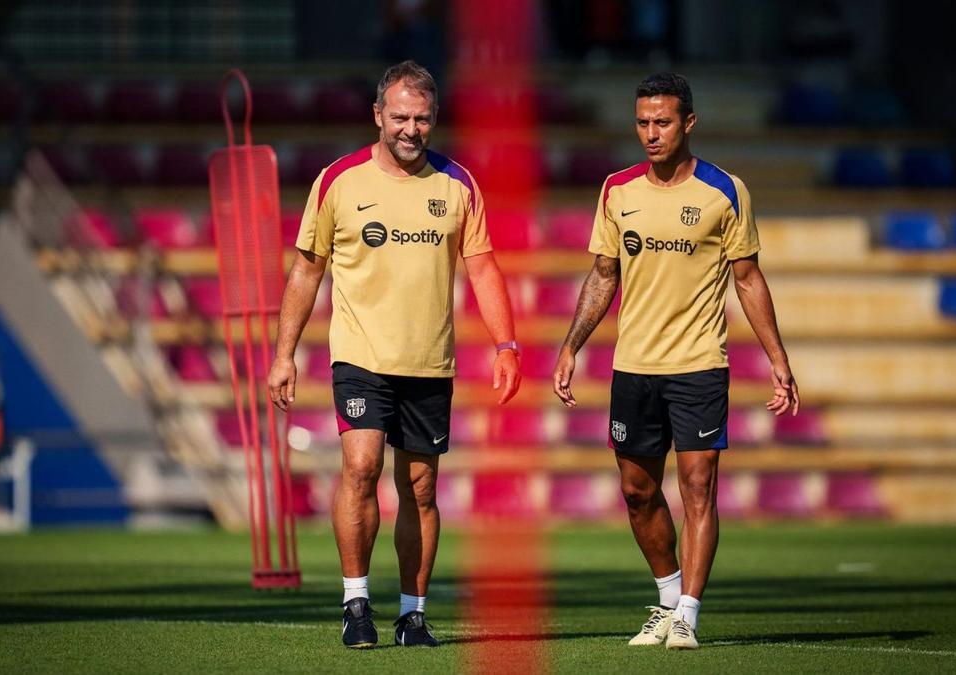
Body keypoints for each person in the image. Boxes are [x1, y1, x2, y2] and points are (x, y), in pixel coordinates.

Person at [268, 60, 521, 649]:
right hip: (360, 354)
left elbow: (481, 266)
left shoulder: (458, 185)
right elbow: (307, 270)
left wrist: (505, 345)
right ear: (378, 115)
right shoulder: (339, 181)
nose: (411, 129)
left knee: (422, 489)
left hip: (429, 361)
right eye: (401, 117)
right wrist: (285, 354)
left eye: (423, 119)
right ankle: (356, 603)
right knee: (361, 467)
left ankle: (413, 613)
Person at [552, 73, 799, 650]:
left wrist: (777, 359)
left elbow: (748, 278)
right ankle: (665, 600)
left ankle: (688, 612)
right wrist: (571, 345)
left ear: (689, 122)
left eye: (662, 122)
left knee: (697, 485)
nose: (651, 134)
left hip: (698, 365)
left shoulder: (725, 191)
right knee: (637, 491)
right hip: (633, 366)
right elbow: (602, 275)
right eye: (642, 123)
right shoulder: (617, 190)